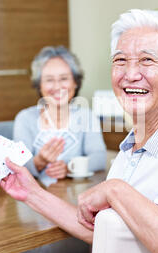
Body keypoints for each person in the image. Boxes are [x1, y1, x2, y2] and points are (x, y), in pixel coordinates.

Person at [1, 9, 158, 253]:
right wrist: (31, 193)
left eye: (147, 60)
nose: (130, 74)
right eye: (120, 60)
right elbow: (107, 232)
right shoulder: (133, 146)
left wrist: (115, 190)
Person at [13, 46, 107, 186]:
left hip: (76, 194)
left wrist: (69, 167)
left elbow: (100, 158)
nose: (57, 86)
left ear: (75, 83)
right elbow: (16, 167)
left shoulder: (86, 116)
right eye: (49, 80)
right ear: (39, 85)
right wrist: (39, 162)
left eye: (64, 78)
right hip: (35, 195)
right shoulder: (25, 118)